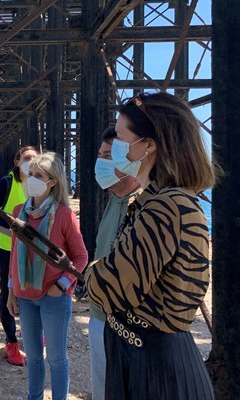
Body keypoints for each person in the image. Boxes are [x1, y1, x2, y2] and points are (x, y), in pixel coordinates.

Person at [85, 92, 215, 400]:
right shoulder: (164, 201)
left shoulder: (165, 208)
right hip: (147, 356)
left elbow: (107, 288)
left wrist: (93, 270)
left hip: (156, 370)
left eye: (120, 137)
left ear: (148, 145)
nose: (114, 146)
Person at [7, 152, 88, 400]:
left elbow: (81, 258)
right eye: (30, 174)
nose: (32, 179)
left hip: (54, 297)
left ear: (52, 181)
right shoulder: (20, 211)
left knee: (56, 358)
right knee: (33, 357)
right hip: (25, 296)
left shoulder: (63, 214)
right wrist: (11, 292)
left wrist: (61, 286)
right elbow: (13, 255)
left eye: (38, 176)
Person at [88, 126, 141, 400]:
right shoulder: (114, 198)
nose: (100, 162)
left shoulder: (146, 207)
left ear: (127, 159)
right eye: (99, 155)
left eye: (108, 155)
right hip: (99, 317)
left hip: (127, 326)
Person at [0, 145, 38, 366]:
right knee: (8, 291)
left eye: (35, 158)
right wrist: (14, 224)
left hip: (31, 248)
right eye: (26, 158)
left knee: (30, 287)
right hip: (6, 245)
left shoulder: (39, 183)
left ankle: (29, 330)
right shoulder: (6, 183)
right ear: (16, 162)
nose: (30, 162)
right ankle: (11, 341)